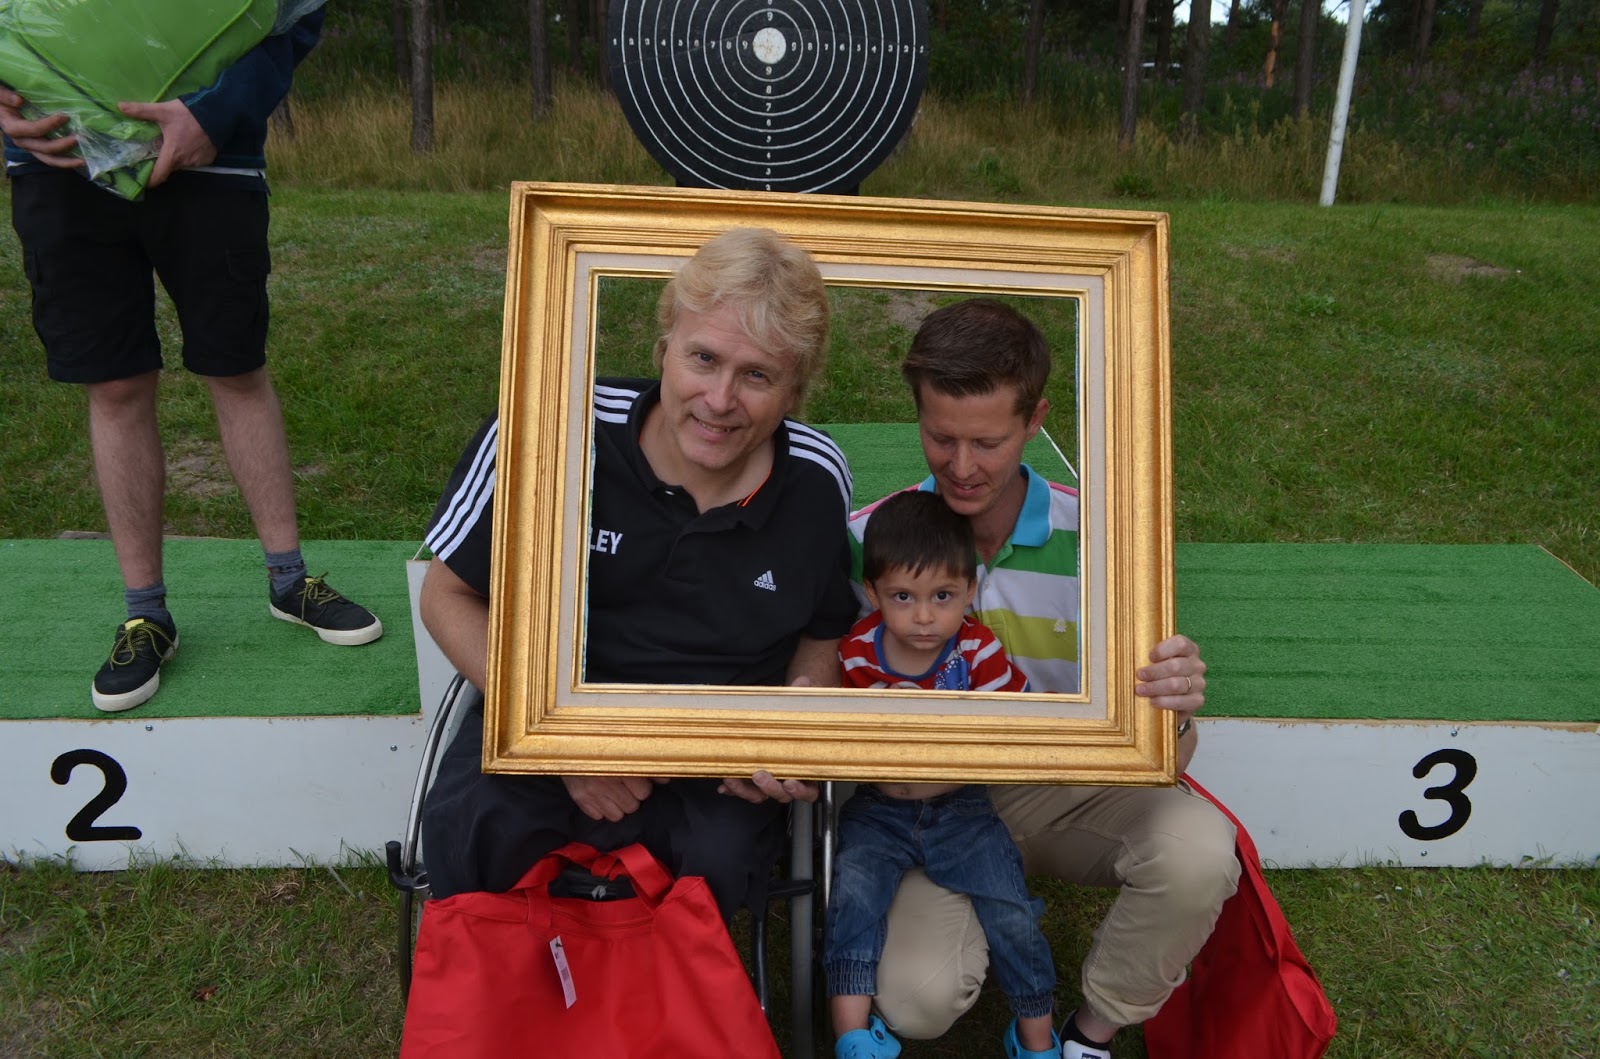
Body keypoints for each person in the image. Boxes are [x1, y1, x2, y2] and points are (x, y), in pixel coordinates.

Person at [418, 227, 857, 923]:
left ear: (794, 389)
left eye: (757, 375)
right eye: (703, 358)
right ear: (664, 347)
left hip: (713, 759)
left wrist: (791, 734)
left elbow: (822, 632)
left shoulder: (815, 482)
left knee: (719, 863)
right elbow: (447, 594)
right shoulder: (550, 428)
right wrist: (560, 741)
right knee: (479, 829)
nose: (719, 399)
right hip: (548, 717)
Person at [847, 298, 1241, 1059]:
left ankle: (1089, 1034)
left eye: (987, 442)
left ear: (1035, 421)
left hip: (1067, 790)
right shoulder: (869, 540)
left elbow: (1169, 757)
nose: (962, 467)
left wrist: (1175, 710)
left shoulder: (1108, 538)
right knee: (916, 1001)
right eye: (941, 437)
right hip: (930, 806)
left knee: (1196, 849)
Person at [2, 6, 381, 715]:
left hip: (214, 159)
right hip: (58, 158)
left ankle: (289, 582)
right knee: (115, 384)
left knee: (236, 367)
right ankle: (146, 615)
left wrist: (215, 113)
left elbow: (294, 17)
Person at [828, 489, 1059, 1059]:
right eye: (903, 597)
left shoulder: (978, 652)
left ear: (970, 590)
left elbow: (1019, 726)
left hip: (963, 810)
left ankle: (1035, 1038)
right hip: (878, 809)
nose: (925, 616)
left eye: (943, 596)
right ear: (873, 592)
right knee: (854, 900)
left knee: (1010, 909)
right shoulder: (856, 653)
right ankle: (852, 1034)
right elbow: (837, 734)